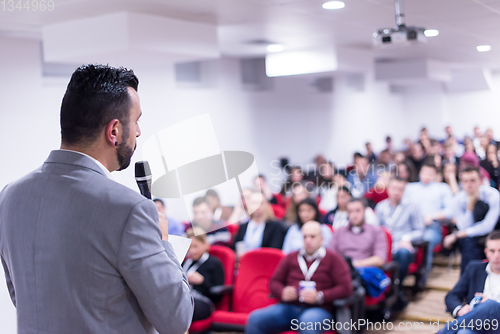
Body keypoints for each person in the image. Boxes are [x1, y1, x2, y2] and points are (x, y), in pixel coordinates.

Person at [0, 65, 193, 334]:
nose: (138, 131)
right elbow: (176, 320)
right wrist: (163, 242)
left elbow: (23, 298)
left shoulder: (9, 196)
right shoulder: (131, 210)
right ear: (114, 131)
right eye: (136, 120)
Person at [246, 221, 353, 334]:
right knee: (255, 319)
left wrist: (320, 296)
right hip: (289, 306)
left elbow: (346, 288)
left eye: (312, 236)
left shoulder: (334, 259)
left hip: (319, 309)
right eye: (305, 236)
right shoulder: (291, 257)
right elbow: (274, 282)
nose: (308, 240)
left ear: (321, 239)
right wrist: (283, 291)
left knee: (308, 323)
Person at [439, 231, 500, 334]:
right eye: (492, 251)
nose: (497, 255)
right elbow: (452, 296)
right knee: (464, 332)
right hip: (475, 325)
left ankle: (444, 332)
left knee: (491, 305)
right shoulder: (474, 268)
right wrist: (460, 310)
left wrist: (488, 305)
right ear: (486, 253)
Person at [444, 166, 500, 274]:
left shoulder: (493, 195)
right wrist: (470, 207)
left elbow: (488, 225)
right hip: (470, 237)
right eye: (465, 181)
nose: (469, 184)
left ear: (480, 181)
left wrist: (457, 235)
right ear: (461, 183)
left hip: (494, 233)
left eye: (473, 180)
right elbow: (464, 227)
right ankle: (470, 280)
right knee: (468, 243)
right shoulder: (458, 199)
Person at [403, 162, 454, 272]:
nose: (426, 176)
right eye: (424, 172)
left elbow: (451, 211)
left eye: (430, 173)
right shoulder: (410, 188)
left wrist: (433, 216)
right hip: (410, 227)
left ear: (435, 175)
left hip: (431, 227)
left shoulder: (442, 188)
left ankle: (422, 275)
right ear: (419, 173)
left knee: (427, 240)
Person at [375, 177, 425, 289]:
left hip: (401, 244)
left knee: (403, 253)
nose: (396, 192)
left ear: (404, 191)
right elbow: (375, 230)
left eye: (400, 189)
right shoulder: (381, 207)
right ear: (388, 189)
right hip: (384, 245)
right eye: (393, 188)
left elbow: (420, 231)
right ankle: (381, 287)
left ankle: (396, 288)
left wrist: (406, 238)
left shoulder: (412, 207)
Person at [328, 198, 387, 269]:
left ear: (365, 210)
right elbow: (330, 256)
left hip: (366, 271)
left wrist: (354, 264)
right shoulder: (339, 231)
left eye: (358, 211)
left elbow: (380, 259)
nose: (354, 215)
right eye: (350, 211)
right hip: (342, 271)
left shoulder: (376, 231)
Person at [183, 227, 225, 322]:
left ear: (205, 244)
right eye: (189, 247)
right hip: (182, 298)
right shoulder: (185, 263)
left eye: (195, 246)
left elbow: (218, 296)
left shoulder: (214, 263)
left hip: (203, 301)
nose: (192, 251)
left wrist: (202, 281)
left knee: (182, 310)